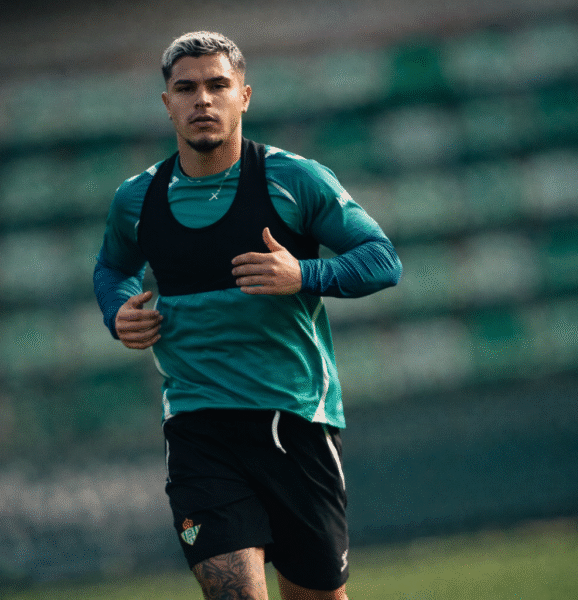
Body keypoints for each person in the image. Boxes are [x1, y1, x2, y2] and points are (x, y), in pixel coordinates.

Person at [93, 31, 401, 600]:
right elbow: (113, 267)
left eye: (218, 85)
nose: (202, 100)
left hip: (294, 421)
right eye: (186, 89)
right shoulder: (136, 199)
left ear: (245, 96)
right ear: (167, 103)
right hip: (197, 424)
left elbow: (383, 260)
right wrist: (118, 312)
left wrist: (304, 274)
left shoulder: (295, 180)